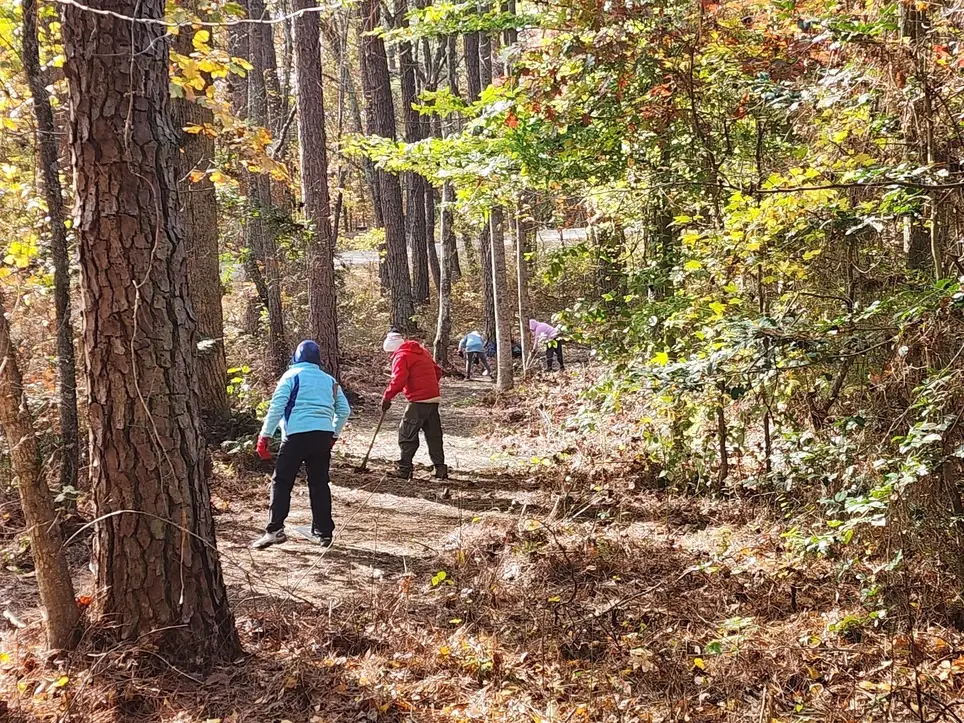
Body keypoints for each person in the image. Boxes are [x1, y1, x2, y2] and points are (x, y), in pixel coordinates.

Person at [251, 340, 350, 550]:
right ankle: (323, 533)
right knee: (319, 484)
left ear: (296, 357)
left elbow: (276, 408)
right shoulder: (329, 380)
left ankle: (274, 530)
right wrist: (333, 434)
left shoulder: (291, 376)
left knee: (282, 482)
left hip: (296, 436)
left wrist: (264, 436)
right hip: (322, 436)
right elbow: (344, 410)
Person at [381, 329, 448, 480]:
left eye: (389, 353)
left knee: (407, 433)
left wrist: (387, 397)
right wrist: (428, 386)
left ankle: (405, 469)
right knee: (433, 434)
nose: (390, 356)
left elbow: (398, 379)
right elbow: (437, 371)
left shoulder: (401, 356)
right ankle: (440, 468)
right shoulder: (422, 352)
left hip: (419, 400)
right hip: (433, 397)